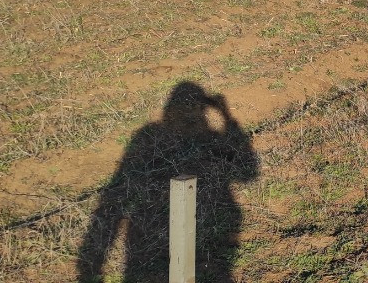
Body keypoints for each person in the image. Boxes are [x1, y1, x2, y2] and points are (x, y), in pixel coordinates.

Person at [78, 82, 258, 283]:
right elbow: (248, 173)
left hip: (157, 241)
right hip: (159, 241)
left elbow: (247, 173)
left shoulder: (149, 135)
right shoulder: (161, 137)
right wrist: (227, 117)